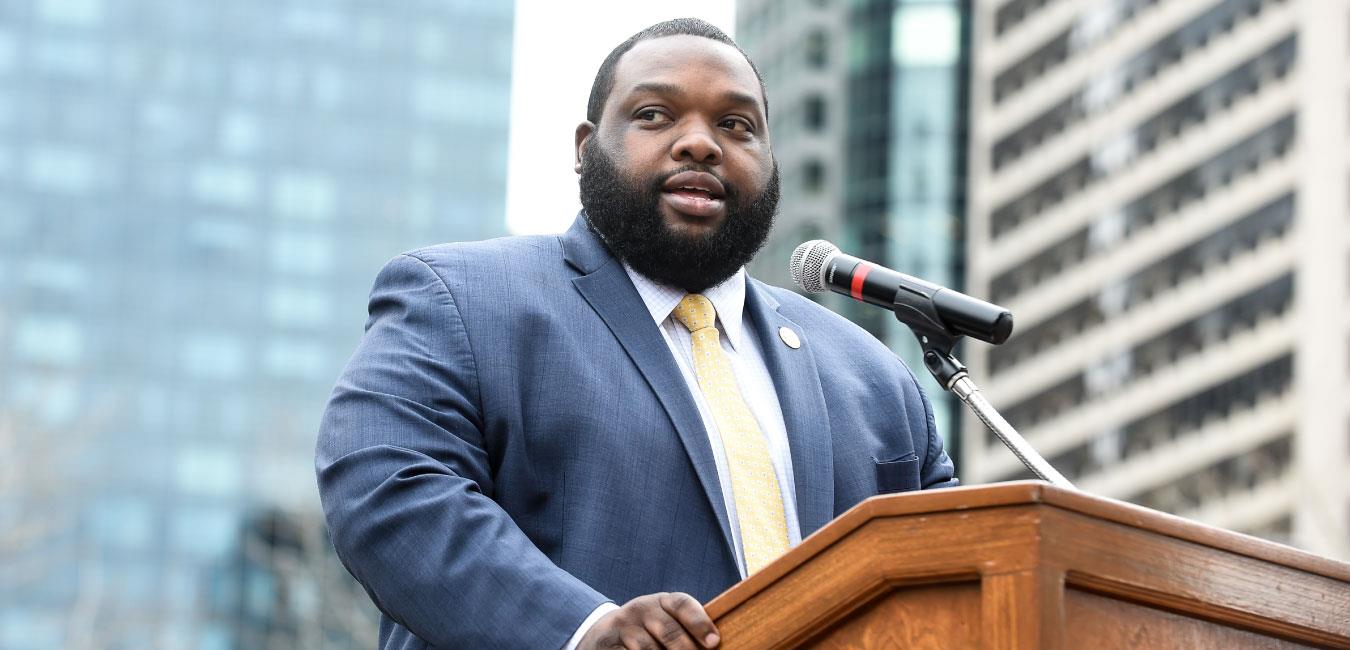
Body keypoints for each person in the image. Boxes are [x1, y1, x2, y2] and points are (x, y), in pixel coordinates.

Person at [315, 18, 957, 649]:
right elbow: (388, 487)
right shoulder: (461, 300)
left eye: (737, 126)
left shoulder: (873, 375)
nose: (701, 144)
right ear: (585, 146)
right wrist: (584, 630)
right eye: (655, 115)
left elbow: (957, 579)